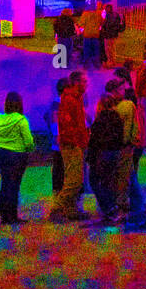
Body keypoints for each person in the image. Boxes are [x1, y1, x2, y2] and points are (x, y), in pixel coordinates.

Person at [49, 72, 90, 222]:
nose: (87, 84)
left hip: (76, 143)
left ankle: (71, 210)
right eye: (84, 81)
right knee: (74, 181)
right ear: (76, 82)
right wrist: (75, 141)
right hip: (71, 144)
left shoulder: (76, 98)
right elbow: (67, 124)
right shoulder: (69, 99)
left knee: (75, 179)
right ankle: (56, 208)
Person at [0, 91, 34, 226]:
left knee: (4, 185)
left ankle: (4, 217)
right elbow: (28, 140)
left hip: (2, 153)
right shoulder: (21, 120)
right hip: (17, 155)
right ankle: (13, 216)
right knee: (14, 186)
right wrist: (29, 148)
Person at [88, 94, 125, 223]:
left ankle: (109, 209)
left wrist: (91, 158)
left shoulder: (100, 119)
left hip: (102, 153)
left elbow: (94, 141)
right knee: (109, 181)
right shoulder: (117, 118)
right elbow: (120, 136)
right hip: (114, 152)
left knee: (96, 182)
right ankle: (113, 208)